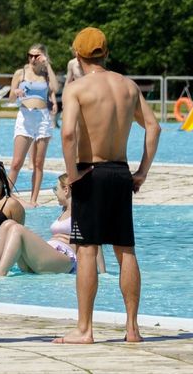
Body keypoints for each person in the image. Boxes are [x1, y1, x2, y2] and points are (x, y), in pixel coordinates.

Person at [57, 27, 161, 344]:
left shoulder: (77, 89)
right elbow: (154, 127)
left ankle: (85, 329)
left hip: (91, 171)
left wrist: (72, 173)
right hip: (120, 171)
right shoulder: (128, 87)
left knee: (87, 250)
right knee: (125, 250)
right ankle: (132, 328)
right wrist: (142, 171)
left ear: (78, 54)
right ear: (106, 52)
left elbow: (69, 134)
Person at [0, 174, 105, 276]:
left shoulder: (81, 211)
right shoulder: (64, 211)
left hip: (64, 259)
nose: (55, 193)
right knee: (7, 224)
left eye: (56, 189)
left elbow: (95, 243)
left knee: (17, 229)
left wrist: (102, 273)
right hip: (48, 255)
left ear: (66, 190)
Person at [9, 44, 60, 206]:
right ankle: (6, 194)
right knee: (17, 162)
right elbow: (10, 97)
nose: (32, 59)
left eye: (36, 56)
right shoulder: (21, 73)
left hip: (42, 118)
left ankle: (33, 199)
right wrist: (16, 92)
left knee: (39, 163)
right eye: (30, 55)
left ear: (43, 56)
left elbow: (55, 88)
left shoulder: (46, 74)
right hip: (25, 117)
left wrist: (48, 64)